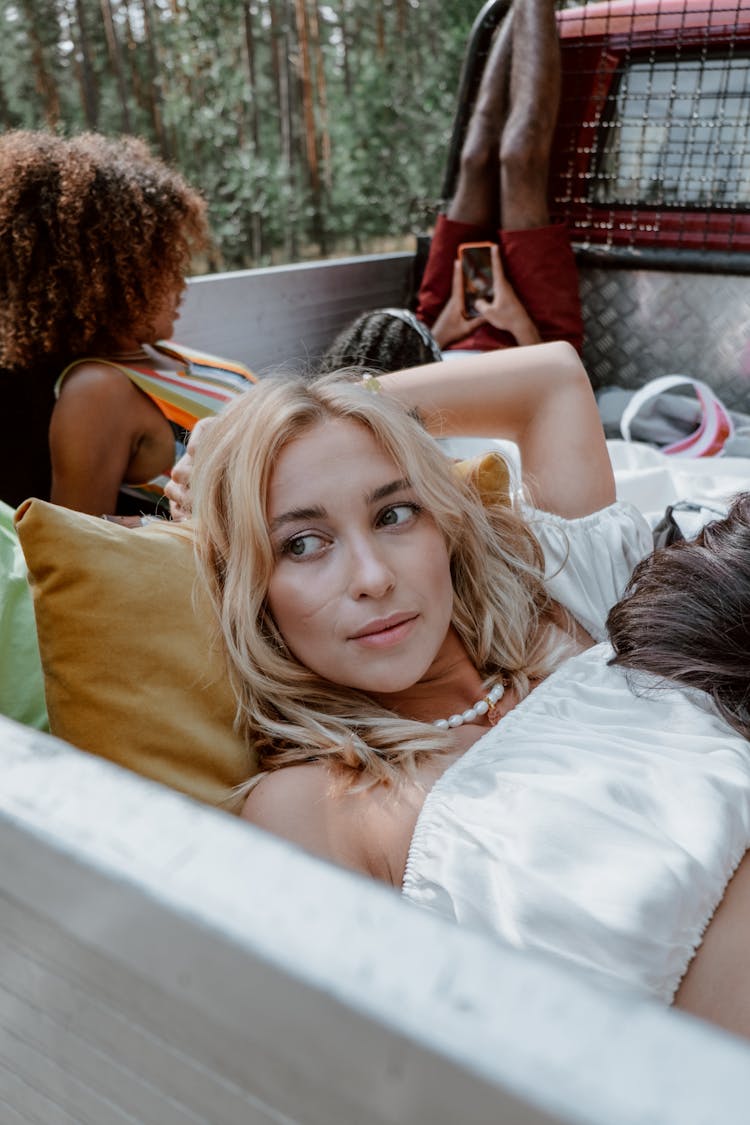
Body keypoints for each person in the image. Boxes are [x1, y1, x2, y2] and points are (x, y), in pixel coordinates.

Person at [190, 342, 750, 1041]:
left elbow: (552, 380)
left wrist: (328, 409)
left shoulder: (569, 595)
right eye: (303, 543)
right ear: (254, 591)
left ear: (443, 526)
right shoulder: (320, 805)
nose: (372, 576)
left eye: (394, 514)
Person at [0, 130, 254, 516]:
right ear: (106, 279)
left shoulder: (159, 354)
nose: (181, 282)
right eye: (163, 263)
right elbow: (84, 545)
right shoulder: (97, 391)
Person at [322, 0, 583, 373]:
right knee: (519, 156)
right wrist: (514, 318)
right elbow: (559, 377)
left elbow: (402, 371)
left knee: (475, 158)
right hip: (538, 339)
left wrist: (446, 326)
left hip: (437, 328)